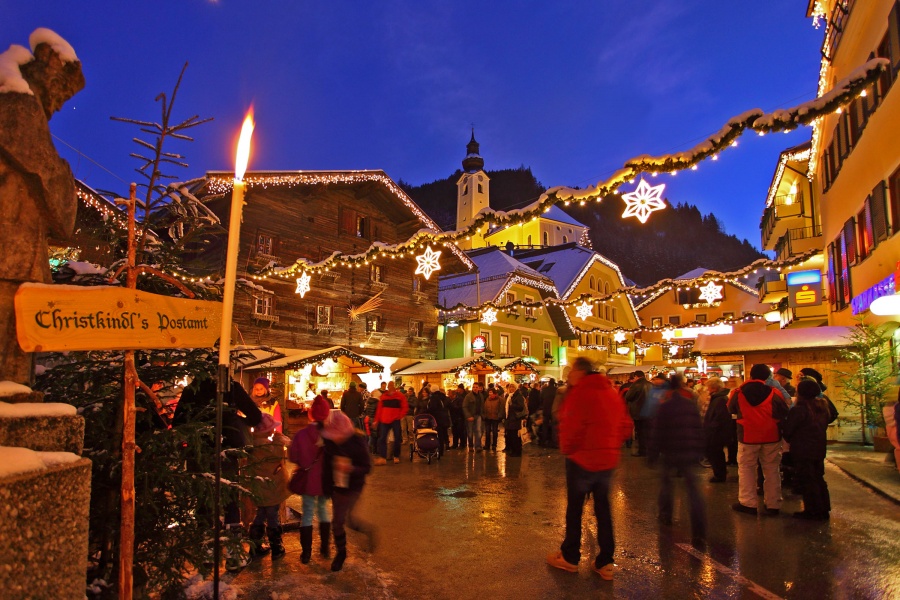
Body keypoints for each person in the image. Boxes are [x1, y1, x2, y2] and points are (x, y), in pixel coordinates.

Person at [0, 36, 84, 386]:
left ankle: (14, 388)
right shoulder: (16, 106)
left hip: (17, 250)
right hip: (9, 248)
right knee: (10, 327)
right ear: (47, 72)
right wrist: (63, 177)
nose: (61, 105)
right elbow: (44, 168)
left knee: (18, 331)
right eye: (61, 92)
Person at [547, 357, 633, 580]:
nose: (568, 376)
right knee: (603, 510)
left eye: (571, 372)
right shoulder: (610, 392)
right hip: (606, 461)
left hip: (582, 460)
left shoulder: (580, 393)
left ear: (580, 372)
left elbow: (572, 426)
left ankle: (570, 557)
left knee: (575, 510)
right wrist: (611, 445)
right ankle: (605, 562)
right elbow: (626, 425)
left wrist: (567, 449)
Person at [173, 375, 263, 572]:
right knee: (230, 499)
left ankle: (206, 555)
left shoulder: (193, 388)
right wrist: (236, 420)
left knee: (204, 500)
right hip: (226, 450)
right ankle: (234, 555)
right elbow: (256, 417)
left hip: (200, 451)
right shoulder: (230, 386)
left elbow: (178, 422)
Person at [648, 375, 707, 544]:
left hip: (670, 451)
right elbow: (698, 427)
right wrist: (700, 449)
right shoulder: (690, 405)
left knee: (667, 484)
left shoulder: (665, 406)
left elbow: (657, 432)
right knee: (693, 490)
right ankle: (699, 528)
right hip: (689, 451)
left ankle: (666, 515)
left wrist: (652, 455)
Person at [729, 364, 790, 516]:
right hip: (771, 436)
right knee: (771, 469)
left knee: (746, 469)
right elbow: (784, 410)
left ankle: (748, 503)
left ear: (751, 375)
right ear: (767, 377)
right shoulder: (774, 392)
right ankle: (773, 504)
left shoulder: (737, 392)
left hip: (747, 436)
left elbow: (730, 409)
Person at [321, 410, 375, 572]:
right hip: (337, 487)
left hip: (353, 486)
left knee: (341, 521)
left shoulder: (357, 442)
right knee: (341, 521)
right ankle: (341, 552)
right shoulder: (330, 443)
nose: (336, 438)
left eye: (337, 434)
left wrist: (350, 468)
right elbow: (326, 468)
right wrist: (326, 489)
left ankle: (343, 552)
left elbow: (367, 467)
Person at [289, 395, 332, 563]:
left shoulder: (301, 434)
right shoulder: (330, 436)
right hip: (325, 481)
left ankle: (306, 553)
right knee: (323, 511)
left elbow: (293, 456)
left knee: (307, 513)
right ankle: (325, 548)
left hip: (308, 480)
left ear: (311, 414)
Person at [783, 379, 832, 521]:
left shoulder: (799, 410)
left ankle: (813, 511)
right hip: (819, 448)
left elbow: (788, 431)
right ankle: (823, 508)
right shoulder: (822, 408)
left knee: (807, 480)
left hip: (803, 450)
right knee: (818, 478)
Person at [246, 413, 291, 560]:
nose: (273, 431)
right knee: (272, 516)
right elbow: (280, 452)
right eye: (271, 428)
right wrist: (279, 439)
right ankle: (276, 547)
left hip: (259, 489)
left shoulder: (252, 445)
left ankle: (255, 544)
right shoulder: (269, 447)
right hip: (272, 489)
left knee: (261, 514)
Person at [704, 378, 732, 483]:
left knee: (715, 453)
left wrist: (711, 427)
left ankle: (719, 475)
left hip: (716, 432)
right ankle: (720, 472)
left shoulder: (719, 399)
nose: (707, 389)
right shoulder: (719, 398)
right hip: (716, 431)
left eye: (708, 387)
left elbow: (719, 417)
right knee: (716, 453)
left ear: (714, 388)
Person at [374, 381, 408, 465]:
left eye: (391, 386)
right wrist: (376, 420)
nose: (390, 387)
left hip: (394, 419)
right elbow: (379, 410)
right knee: (382, 438)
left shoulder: (399, 396)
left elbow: (405, 407)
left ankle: (396, 456)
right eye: (389, 386)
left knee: (397, 438)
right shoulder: (384, 396)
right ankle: (383, 457)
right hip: (385, 420)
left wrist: (399, 416)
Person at [624, 371, 651, 456]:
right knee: (647, 431)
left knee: (640, 432)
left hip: (638, 412)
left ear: (636, 376)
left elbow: (628, 397)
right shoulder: (650, 385)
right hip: (649, 411)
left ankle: (642, 451)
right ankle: (648, 449)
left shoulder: (636, 385)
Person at [504, 383, 527, 457]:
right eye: (510, 387)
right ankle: (513, 450)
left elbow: (521, 407)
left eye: (513, 387)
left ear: (516, 388)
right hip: (510, 418)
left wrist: (512, 405)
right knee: (511, 435)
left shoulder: (518, 395)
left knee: (515, 436)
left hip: (515, 418)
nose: (511, 389)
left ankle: (517, 451)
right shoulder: (510, 396)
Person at [427, 387, 451, 456]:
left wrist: (424, 412)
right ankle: (441, 450)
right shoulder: (442, 396)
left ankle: (438, 450)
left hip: (437, 418)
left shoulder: (434, 397)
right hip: (443, 418)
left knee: (437, 434)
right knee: (442, 434)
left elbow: (432, 408)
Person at [463, 382, 484, 452]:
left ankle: (478, 446)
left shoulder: (481, 396)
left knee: (478, 431)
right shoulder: (468, 396)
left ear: (479, 388)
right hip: (471, 416)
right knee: (470, 431)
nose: (475, 388)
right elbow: (464, 407)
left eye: (476, 387)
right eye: (474, 387)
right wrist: (468, 416)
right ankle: (471, 446)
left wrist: (482, 414)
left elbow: (482, 406)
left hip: (478, 415)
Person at [482, 387, 503, 451]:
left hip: (495, 418)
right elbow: (485, 407)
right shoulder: (487, 399)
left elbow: (501, 408)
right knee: (487, 432)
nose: (490, 395)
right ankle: (487, 445)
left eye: (491, 393)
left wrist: (499, 416)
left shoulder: (499, 399)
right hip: (488, 418)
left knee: (494, 432)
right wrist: (484, 415)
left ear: (495, 394)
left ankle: (494, 445)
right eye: (489, 393)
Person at [539, 378, 558, 447]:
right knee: (554, 426)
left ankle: (544, 440)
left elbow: (541, 399)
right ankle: (554, 441)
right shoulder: (556, 390)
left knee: (545, 425)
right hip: (554, 410)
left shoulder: (544, 390)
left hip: (546, 410)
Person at [448, 385, 468, 450]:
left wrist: (452, 406)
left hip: (459, 418)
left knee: (460, 431)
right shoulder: (451, 400)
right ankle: (455, 444)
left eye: (449, 394)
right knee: (454, 432)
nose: (448, 395)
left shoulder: (459, 399)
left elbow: (460, 408)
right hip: (453, 418)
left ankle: (463, 444)